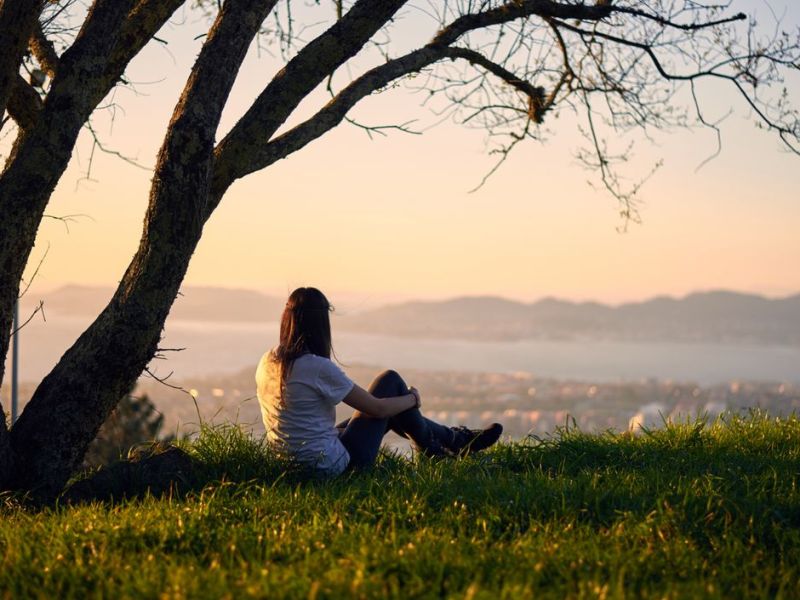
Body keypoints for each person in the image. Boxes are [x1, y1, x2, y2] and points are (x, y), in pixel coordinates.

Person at [256, 287, 503, 476]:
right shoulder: (316, 366)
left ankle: (449, 444)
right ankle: (451, 443)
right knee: (390, 382)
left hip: (289, 464)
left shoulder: (267, 361)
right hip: (330, 466)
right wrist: (412, 399)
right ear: (321, 324)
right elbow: (377, 409)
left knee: (387, 405)